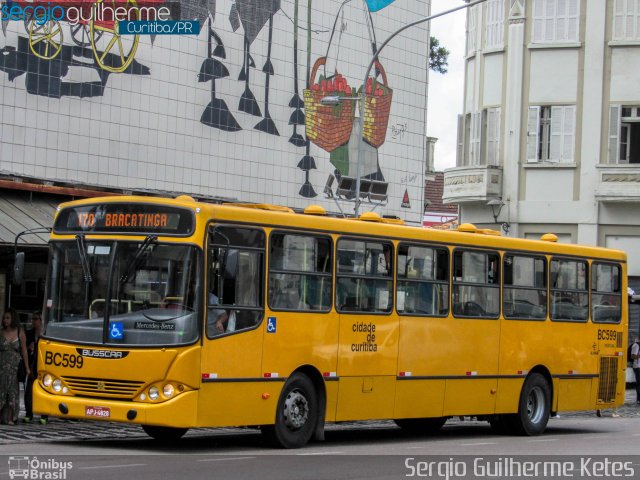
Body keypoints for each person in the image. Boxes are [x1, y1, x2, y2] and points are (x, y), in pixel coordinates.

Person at [0, 311, 30, 425]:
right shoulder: (1, 333)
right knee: (1, 391)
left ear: (13, 319)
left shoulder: (20, 333)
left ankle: (11, 418)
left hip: (14, 368)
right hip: (2, 366)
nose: (5, 320)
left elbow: (24, 351)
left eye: (7, 318)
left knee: (13, 392)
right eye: (4, 318)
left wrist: (27, 368)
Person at [23, 313, 47, 424]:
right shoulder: (29, 334)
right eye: (32, 319)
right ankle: (29, 413)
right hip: (32, 367)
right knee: (28, 391)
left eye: (35, 319)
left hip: (43, 367)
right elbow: (23, 349)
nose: (33, 321)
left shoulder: (45, 334)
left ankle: (44, 415)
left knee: (45, 391)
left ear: (41, 320)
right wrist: (29, 348)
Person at [631, 336, 640, 405]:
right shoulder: (636, 345)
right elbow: (633, 356)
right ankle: (638, 399)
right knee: (639, 384)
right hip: (637, 367)